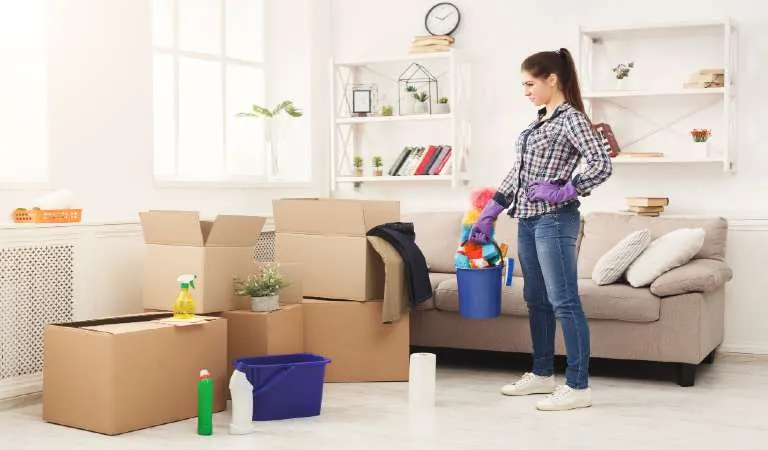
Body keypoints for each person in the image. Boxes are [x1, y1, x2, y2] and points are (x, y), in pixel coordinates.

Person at [469, 47, 613, 411]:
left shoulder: (572, 119)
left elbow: (601, 163)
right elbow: (516, 174)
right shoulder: (537, 122)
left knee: (564, 301)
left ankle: (578, 386)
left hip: (554, 219)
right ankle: (542, 374)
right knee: (536, 300)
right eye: (523, 85)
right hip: (527, 220)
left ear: (552, 79)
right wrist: (489, 212)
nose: (526, 91)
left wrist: (567, 189)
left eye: (530, 83)